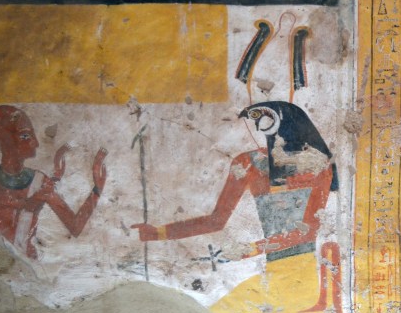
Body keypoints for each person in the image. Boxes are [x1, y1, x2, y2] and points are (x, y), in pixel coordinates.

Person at [133, 101, 336, 262]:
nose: (259, 128)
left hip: (304, 268)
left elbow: (306, 232)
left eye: (266, 121)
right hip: (272, 269)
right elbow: (216, 220)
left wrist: (249, 250)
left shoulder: (320, 166)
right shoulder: (248, 162)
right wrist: (158, 233)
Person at [0, 105, 107, 259]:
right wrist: (33, 201)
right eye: (25, 136)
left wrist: (97, 189)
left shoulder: (39, 180)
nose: (35, 143)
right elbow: (6, 208)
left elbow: (75, 226)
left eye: (32, 135)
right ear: (4, 140)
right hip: (2, 259)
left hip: (29, 261)